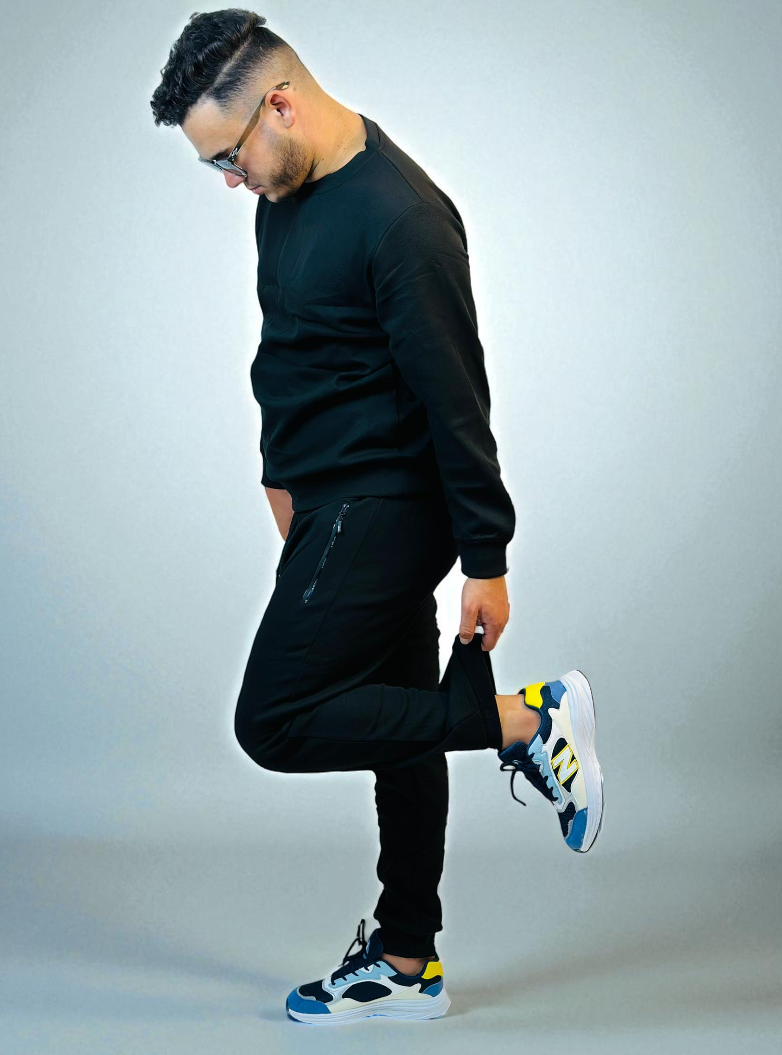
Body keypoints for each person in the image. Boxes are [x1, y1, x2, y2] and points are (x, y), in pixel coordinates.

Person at [150, 9, 604, 1027]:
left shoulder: (401, 219)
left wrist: (485, 556)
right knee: (396, 723)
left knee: (274, 719)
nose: (229, 179)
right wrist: (281, 480)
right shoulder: (286, 191)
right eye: (213, 164)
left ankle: (527, 721)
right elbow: (292, 352)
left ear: (279, 104)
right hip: (329, 500)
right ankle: (405, 959)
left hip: (389, 504)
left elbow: (456, 399)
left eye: (227, 155)